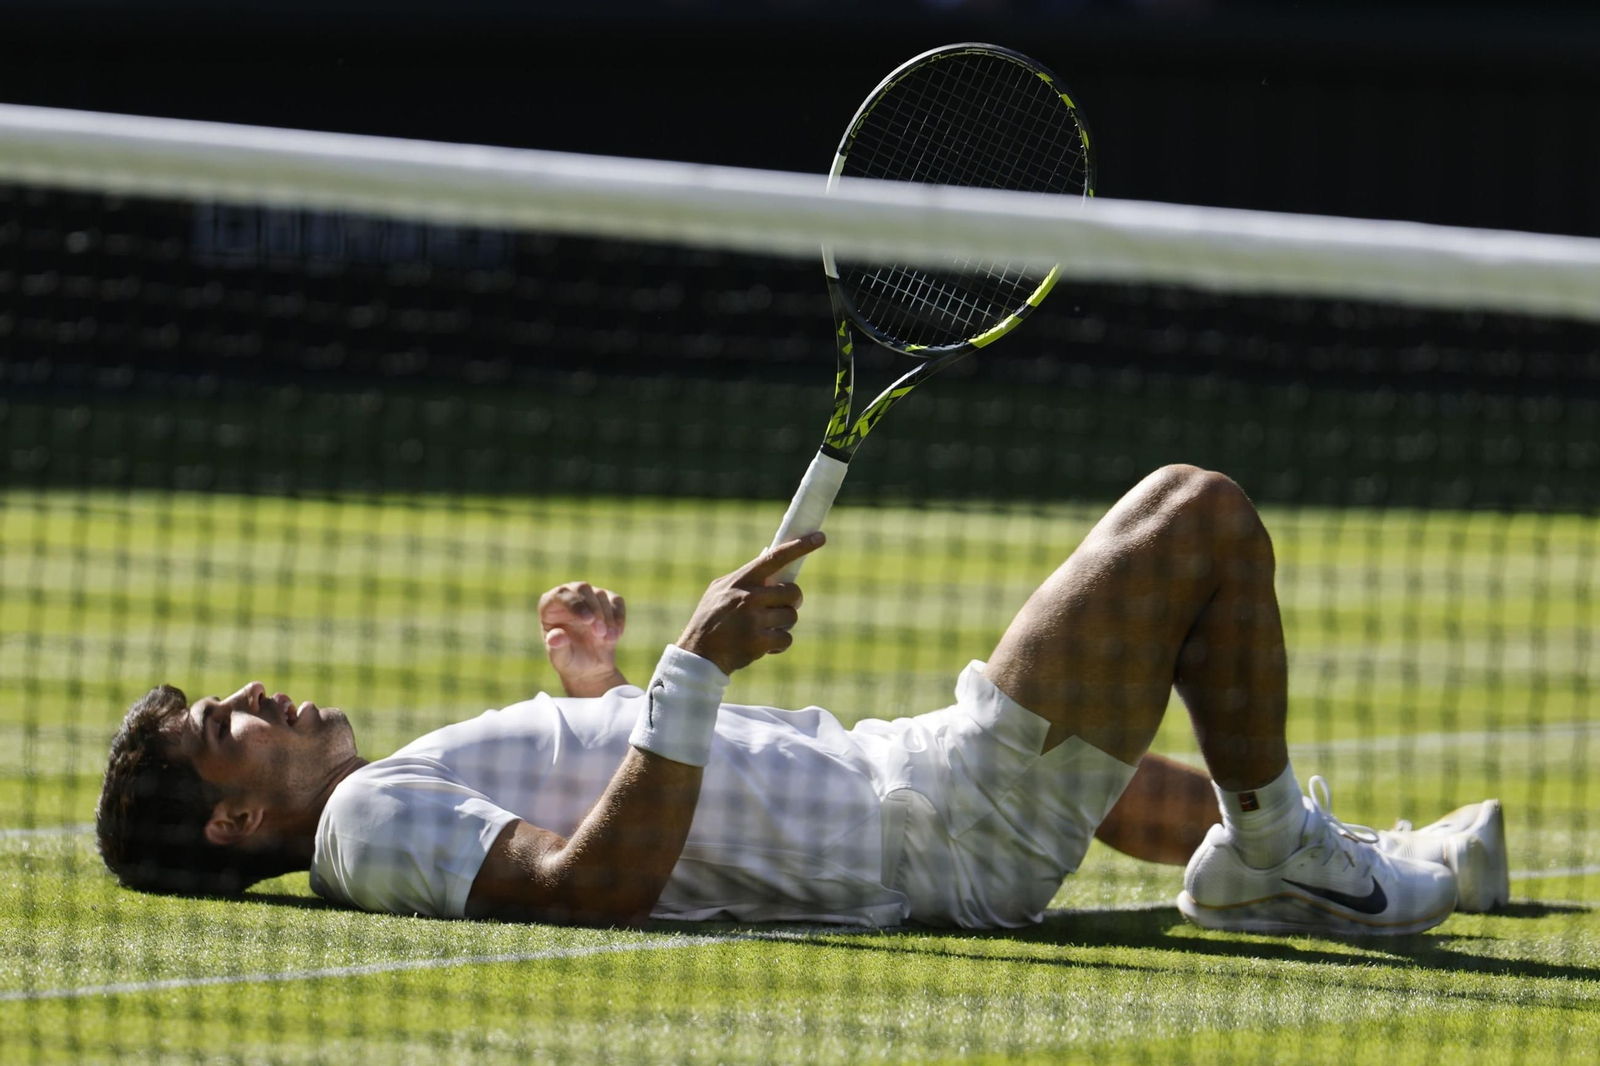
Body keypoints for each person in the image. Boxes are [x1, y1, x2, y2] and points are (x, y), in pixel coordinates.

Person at [95, 465, 1509, 932]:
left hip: (900, 781)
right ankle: (1279, 848)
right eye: (227, 726)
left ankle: (1324, 854)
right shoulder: (359, 828)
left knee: (1116, 775)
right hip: (929, 836)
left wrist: (597, 694)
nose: (257, 694)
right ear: (233, 825)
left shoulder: (380, 796)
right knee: (1194, 515)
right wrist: (690, 670)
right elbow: (588, 887)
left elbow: (607, 817)